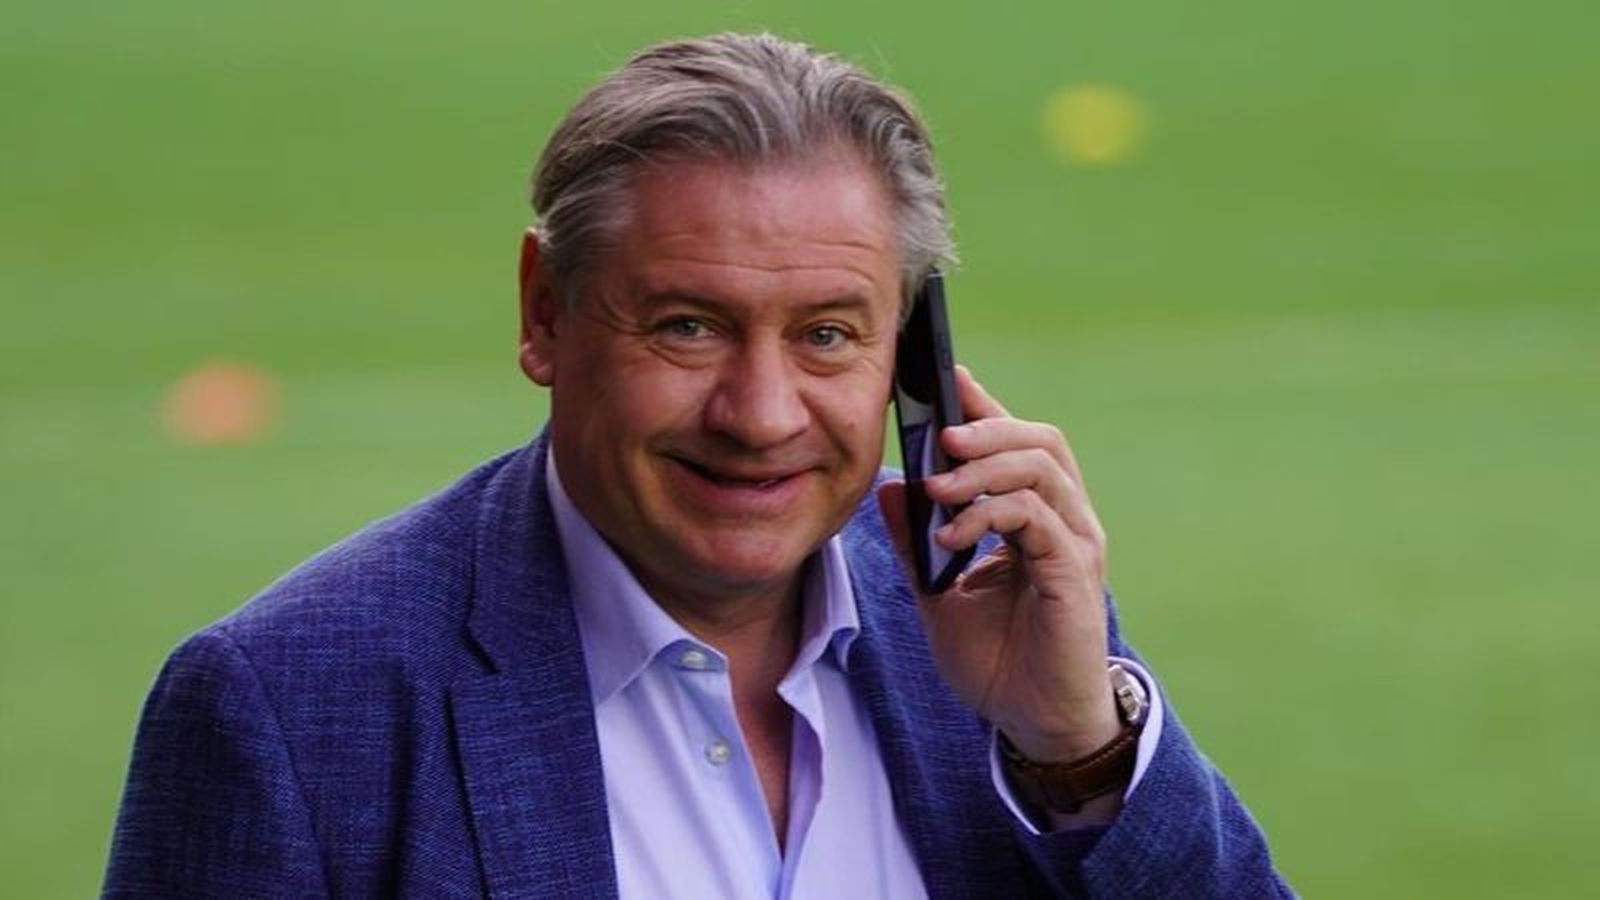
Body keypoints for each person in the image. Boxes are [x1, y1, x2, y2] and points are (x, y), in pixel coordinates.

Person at [104, 32, 1291, 899]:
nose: (760, 415)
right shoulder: (286, 707)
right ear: (544, 313)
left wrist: (1075, 749)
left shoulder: (1006, 633)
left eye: (827, 335)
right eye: (687, 326)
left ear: (908, 355)